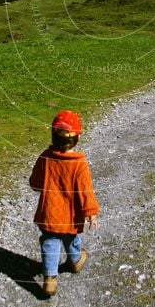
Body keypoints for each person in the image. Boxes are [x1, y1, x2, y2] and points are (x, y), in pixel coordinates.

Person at [29, 109, 99, 297]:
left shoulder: (46, 157)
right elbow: (85, 191)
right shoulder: (78, 163)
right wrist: (91, 212)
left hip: (49, 213)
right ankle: (75, 261)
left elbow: (34, 183)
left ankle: (50, 280)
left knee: (50, 243)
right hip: (70, 216)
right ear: (76, 138)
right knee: (71, 239)